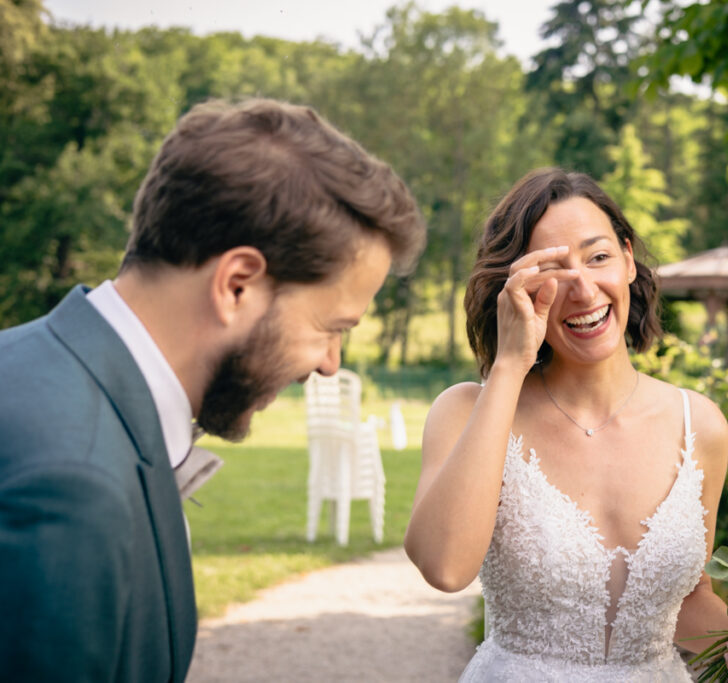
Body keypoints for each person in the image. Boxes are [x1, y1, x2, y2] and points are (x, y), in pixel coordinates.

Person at [0, 98, 425, 682]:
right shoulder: (75, 488)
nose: (331, 365)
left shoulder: (27, 364)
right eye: (332, 328)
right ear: (237, 285)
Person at [405, 168, 728, 680]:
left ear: (629, 260)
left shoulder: (699, 424)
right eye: (552, 270)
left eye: (598, 257)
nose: (584, 290)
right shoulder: (466, 411)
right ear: (515, 288)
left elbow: (689, 598)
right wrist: (508, 366)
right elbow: (446, 567)